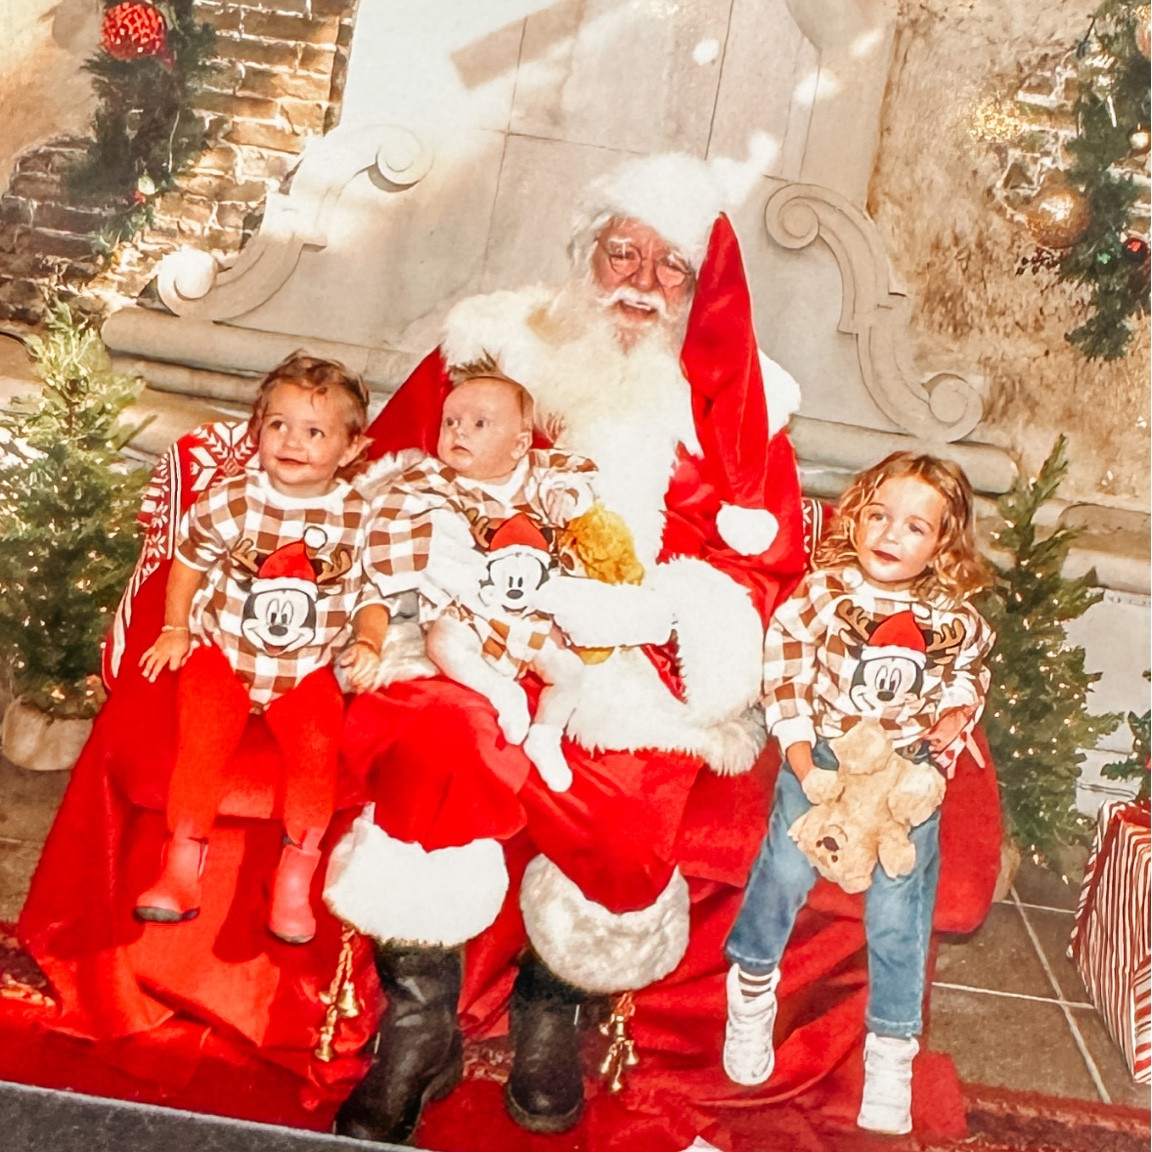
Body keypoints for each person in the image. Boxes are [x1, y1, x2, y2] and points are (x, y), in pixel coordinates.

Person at [323, 152, 809, 1143]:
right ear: (587, 255)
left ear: (700, 287)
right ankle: (419, 1030)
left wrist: (650, 617)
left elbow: (764, 565)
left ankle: (551, 1013)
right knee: (434, 738)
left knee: (627, 808)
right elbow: (391, 479)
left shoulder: (740, 404)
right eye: (623, 253)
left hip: (635, 658)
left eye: (671, 266)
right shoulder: (494, 346)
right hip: (466, 628)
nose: (641, 282)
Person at [722, 452, 995, 1135]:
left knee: (899, 901)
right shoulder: (824, 593)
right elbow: (784, 678)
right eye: (879, 516)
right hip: (824, 750)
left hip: (903, 768)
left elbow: (970, 675)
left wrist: (952, 721)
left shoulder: (952, 616)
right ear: (856, 517)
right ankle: (751, 986)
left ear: (942, 544)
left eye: (914, 527)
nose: (890, 535)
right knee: (787, 865)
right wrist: (801, 762)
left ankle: (892, 1047)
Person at [132, 352, 388, 945]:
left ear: (351, 448)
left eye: (315, 431)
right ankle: (181, 862)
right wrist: (176, 628)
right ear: (257, 431)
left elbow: (373, 594)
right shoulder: (235, 500)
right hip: (224, 652)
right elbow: (188, 562)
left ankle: (295, 874)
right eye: (278, 425)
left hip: (305, 668)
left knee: (318, 749)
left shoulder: (359, 517)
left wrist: (370, 641)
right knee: (201, 739)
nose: (292, 442)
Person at [365, 370, 600, 790]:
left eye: (479, 424)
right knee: (442, 643)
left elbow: (579, 473)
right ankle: (500, 691)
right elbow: (388, 516)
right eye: (450, 422)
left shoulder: (536, 474)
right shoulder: (432, 477)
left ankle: (546, 734)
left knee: (569, 670)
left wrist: (568, 498)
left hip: (527, 611)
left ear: (519, 445)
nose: (459, 432)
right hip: (467, 608)